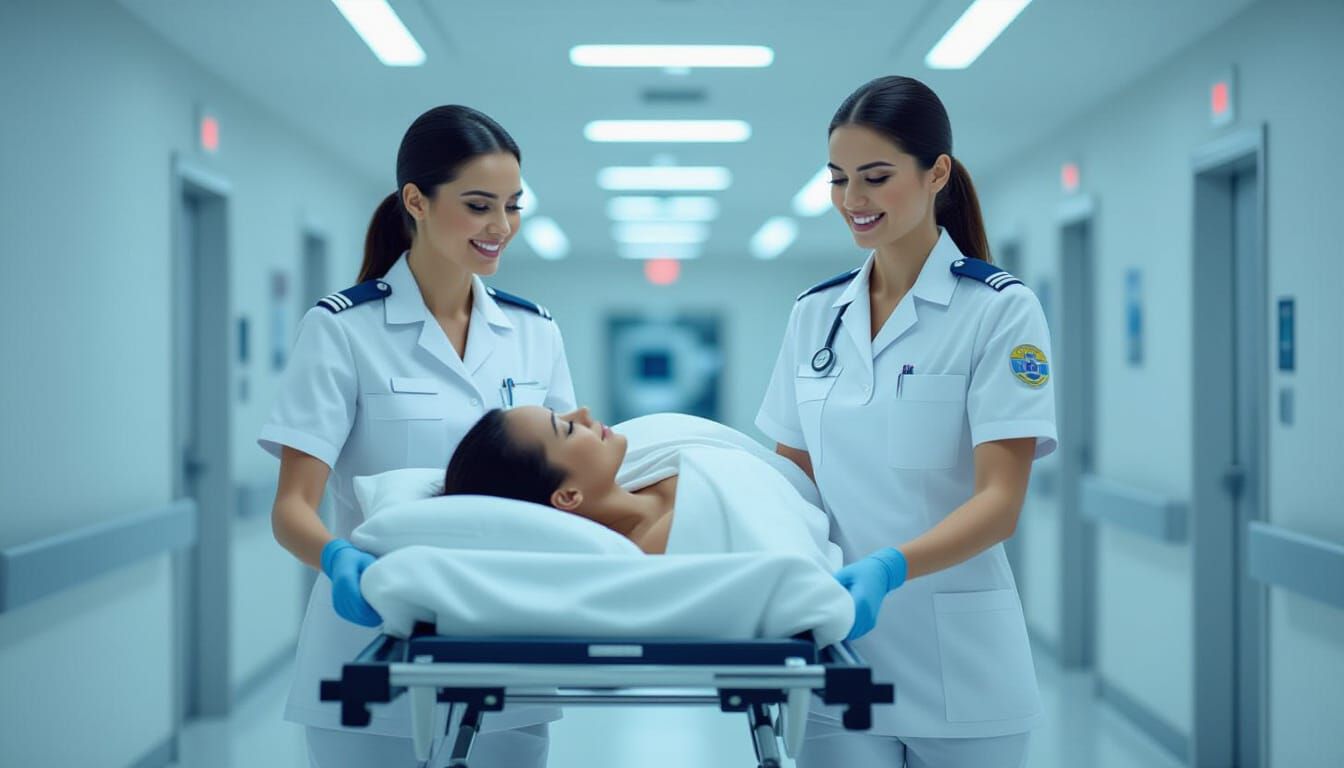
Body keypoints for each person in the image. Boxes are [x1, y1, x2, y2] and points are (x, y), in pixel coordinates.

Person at [259, 105, 575, 768]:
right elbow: (291, 508)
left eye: (513, 206)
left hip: (509, 650)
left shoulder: (534, 332)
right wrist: (340, 560)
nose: (501, 227)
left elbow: (573, 479)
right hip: (371, 648)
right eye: (479, 205)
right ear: (416, 201)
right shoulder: (343, 330)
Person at [755, 75, 1057, 768]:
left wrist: (890, 568)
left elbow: (999, 501)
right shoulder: (815, 315)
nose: (852, 201)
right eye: (838, 180)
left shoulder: (999, 311)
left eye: (876, 177)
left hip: (962, 663)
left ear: (936, 173)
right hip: (840, 653)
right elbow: (791, 481)